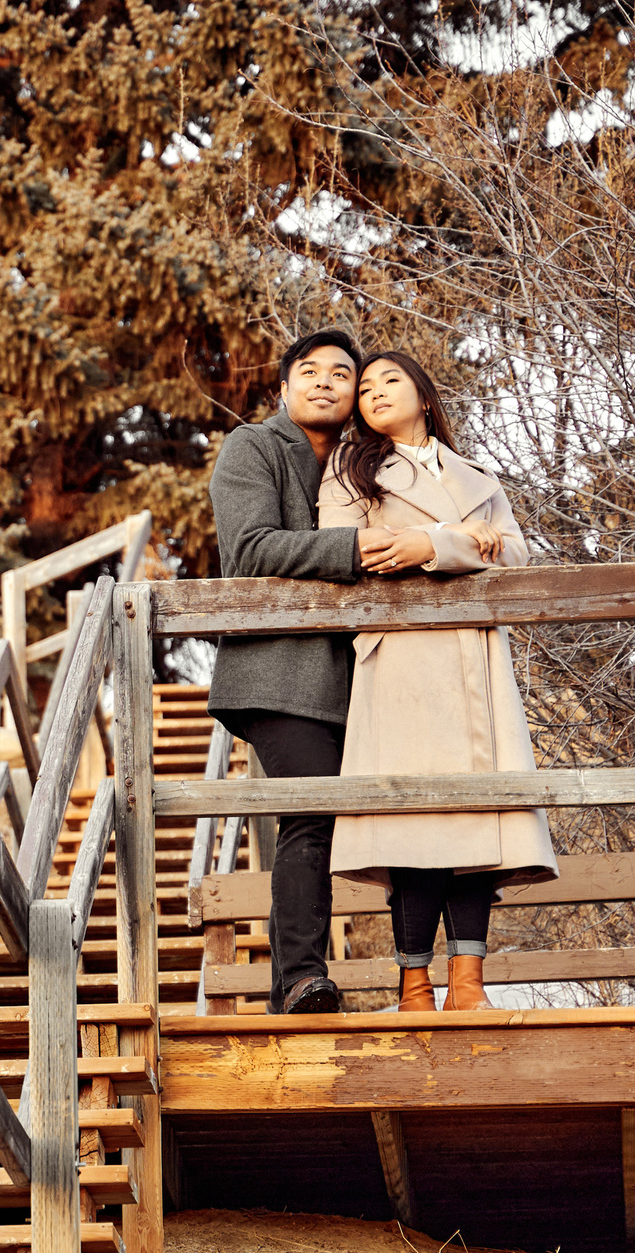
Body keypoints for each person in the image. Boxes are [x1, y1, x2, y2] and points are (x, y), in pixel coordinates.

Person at [316, 351, 558, 1012]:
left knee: (476, 823)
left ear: (424, 395)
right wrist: (450, 541)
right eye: (364, 387)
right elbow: (350, 550)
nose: (373, 392)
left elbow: (515, 554)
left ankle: (470, 983)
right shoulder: (351, 468)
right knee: (415, 821)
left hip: (475, 660)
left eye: (390, 379)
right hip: (400, 662)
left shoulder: (477, 475)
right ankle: (415, 984)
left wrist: (429, 545)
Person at [208, 328, 430, 1014]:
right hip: (277, 671)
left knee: (401, 811)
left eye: (343, 372)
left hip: (364, 673)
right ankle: (302, 978)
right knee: (308, 815)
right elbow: (248, 550)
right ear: (284, 388)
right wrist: (356, 549)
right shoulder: (253, 447)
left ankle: (414, 979)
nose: (328, 381)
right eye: (311, 372)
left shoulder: (375, 460)